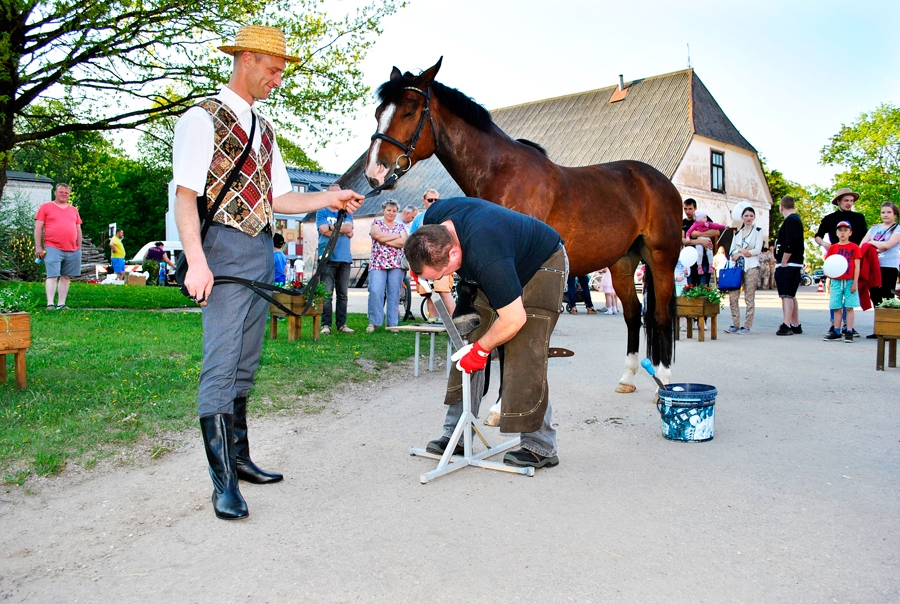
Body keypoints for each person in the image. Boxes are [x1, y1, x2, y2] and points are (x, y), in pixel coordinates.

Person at [172, 24, 363, 521]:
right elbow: (185, 195)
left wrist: (330, 196)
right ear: (248, 59)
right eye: (274, 70)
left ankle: (240, 458)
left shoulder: (263, 128)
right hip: (221, 252)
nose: (278, 79)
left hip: (260, 251)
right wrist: (196, 260)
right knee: (221, 362)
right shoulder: (202, 117)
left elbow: (281, 198)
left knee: (246, 361)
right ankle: (223, 484)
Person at [405, 197, 566, 469]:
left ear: (454, 255)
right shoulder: (434, 219)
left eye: (439, 274)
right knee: (465, 338)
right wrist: (420, 272)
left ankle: (540, 445)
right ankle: (456, 433)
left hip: (542, 263)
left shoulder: (486, 253)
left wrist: (482, 351)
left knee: (524, 347)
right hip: (500, 255)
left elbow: (514, 319)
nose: (435, 280)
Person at [815, 188, 868, 337]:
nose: (849, 203)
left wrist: (859, 249)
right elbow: (818, 236)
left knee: (850, 293)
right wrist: (827, 245)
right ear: (838, 201)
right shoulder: (830, 218)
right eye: (846, 200)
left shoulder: (859, 217)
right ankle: (834, 324)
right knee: (836, 293)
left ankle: (848, 326)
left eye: (851, 201)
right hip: (836, 258)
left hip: (853, 256)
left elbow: (865, 236)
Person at [34, 183, 82, 310]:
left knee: (66, 276)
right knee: (52, 275)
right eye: (61, 192)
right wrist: (38, 247)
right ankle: (50, 304)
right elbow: (38, 227)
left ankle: (61, 304)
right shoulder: (45, 207)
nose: (63, 194)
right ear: (55, 192)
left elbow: (78, 229)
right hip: (52, 246)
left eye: (66, 193)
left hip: (72, 249)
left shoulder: (74, 210)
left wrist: (79, 247)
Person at [409, 189, 454, 320]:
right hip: (424, 260)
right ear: (424, 201)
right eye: (430, 200)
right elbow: (412, 239)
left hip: (442, 259)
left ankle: (457, 324)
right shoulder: (418, 218)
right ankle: (433, 321)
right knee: (429, 293)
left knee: (443, 291)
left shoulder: (445, 216)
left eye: (436, 200)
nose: (433, 202)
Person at [316, 184, 355, 335]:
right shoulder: (322, 211)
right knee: (326, 294)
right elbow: (323, 230)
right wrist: (341, 229)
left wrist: (332, 228)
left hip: (344, 257)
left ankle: (341, 324)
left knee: (343, 294)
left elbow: (349, 228)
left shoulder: (346, 211)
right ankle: (326, 325)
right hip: (327, 258)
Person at [366, 199, 407, 332]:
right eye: (389, 210)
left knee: (394, 293)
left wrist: (384, 238)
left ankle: (392, 323)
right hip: (378, 262)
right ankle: (374, 321)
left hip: (396, 263)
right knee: (375, 290)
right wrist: (395, 237)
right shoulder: (376, 223)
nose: (391, 213)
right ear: (383, 210)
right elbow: (376, 235)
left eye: (394, 211)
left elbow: (403, 242)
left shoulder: (401, 226)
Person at [723, 206, 764, 334]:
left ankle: (746, 325)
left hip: (751, 266)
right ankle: (735, 324)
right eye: (746, 215)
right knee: (733, 296)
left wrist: (742, 252)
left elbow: (757, 250)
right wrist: (741, 252)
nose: (749, 218)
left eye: (751, 215)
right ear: (742, 217)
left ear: (754, 217)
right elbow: (732, 250)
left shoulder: (758, 231)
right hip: (737, 267)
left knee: (749, 297)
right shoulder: (738, 233)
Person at [860, 202, 900, 327]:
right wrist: (875, 245)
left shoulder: (897, 228)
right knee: (875, 296)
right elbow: (862, 246)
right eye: (883, 212)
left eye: (889, 212)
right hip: (873, 265)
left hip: (888, 266)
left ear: (895, 214)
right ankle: (879, 327)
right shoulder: (874, 228)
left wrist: (872, 243)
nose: (885, 215)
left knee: (888, 296)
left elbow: (888, 245)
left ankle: (889, 327)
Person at [823, 221, 861, 343]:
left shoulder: (854, 247)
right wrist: (828, 278)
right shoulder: (833, 248)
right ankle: (837, 330)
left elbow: (857, 265)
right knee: (836, 306)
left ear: (850, 232)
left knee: (849, 307)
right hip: (836, 281)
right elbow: (829, 265)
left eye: (845, 230)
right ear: (836, 233)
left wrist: (855, 282)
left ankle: (849, 330)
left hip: (850, 280)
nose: (842, 233)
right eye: (840, 230)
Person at [774, 196, 805, 336]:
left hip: (790, 263)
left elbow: (791, 240)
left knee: (786, 295)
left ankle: (786, 324)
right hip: (792, 262)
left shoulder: (791, 220)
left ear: (781, 206)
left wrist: (784, 260)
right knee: (791, 295)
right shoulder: (794, 220)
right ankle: (795, 323)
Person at [682, 198, 720, 285]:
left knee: (703, 287)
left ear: (695, 208)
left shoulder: (703, 218)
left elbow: (716, 231)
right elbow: (683, 240)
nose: (687, 211)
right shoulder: (683, 222)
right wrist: (700, 241)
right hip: (690, 259)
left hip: (704, 259)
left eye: (690, 209)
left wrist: (697, 234)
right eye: (685, 209)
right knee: (690, 288)